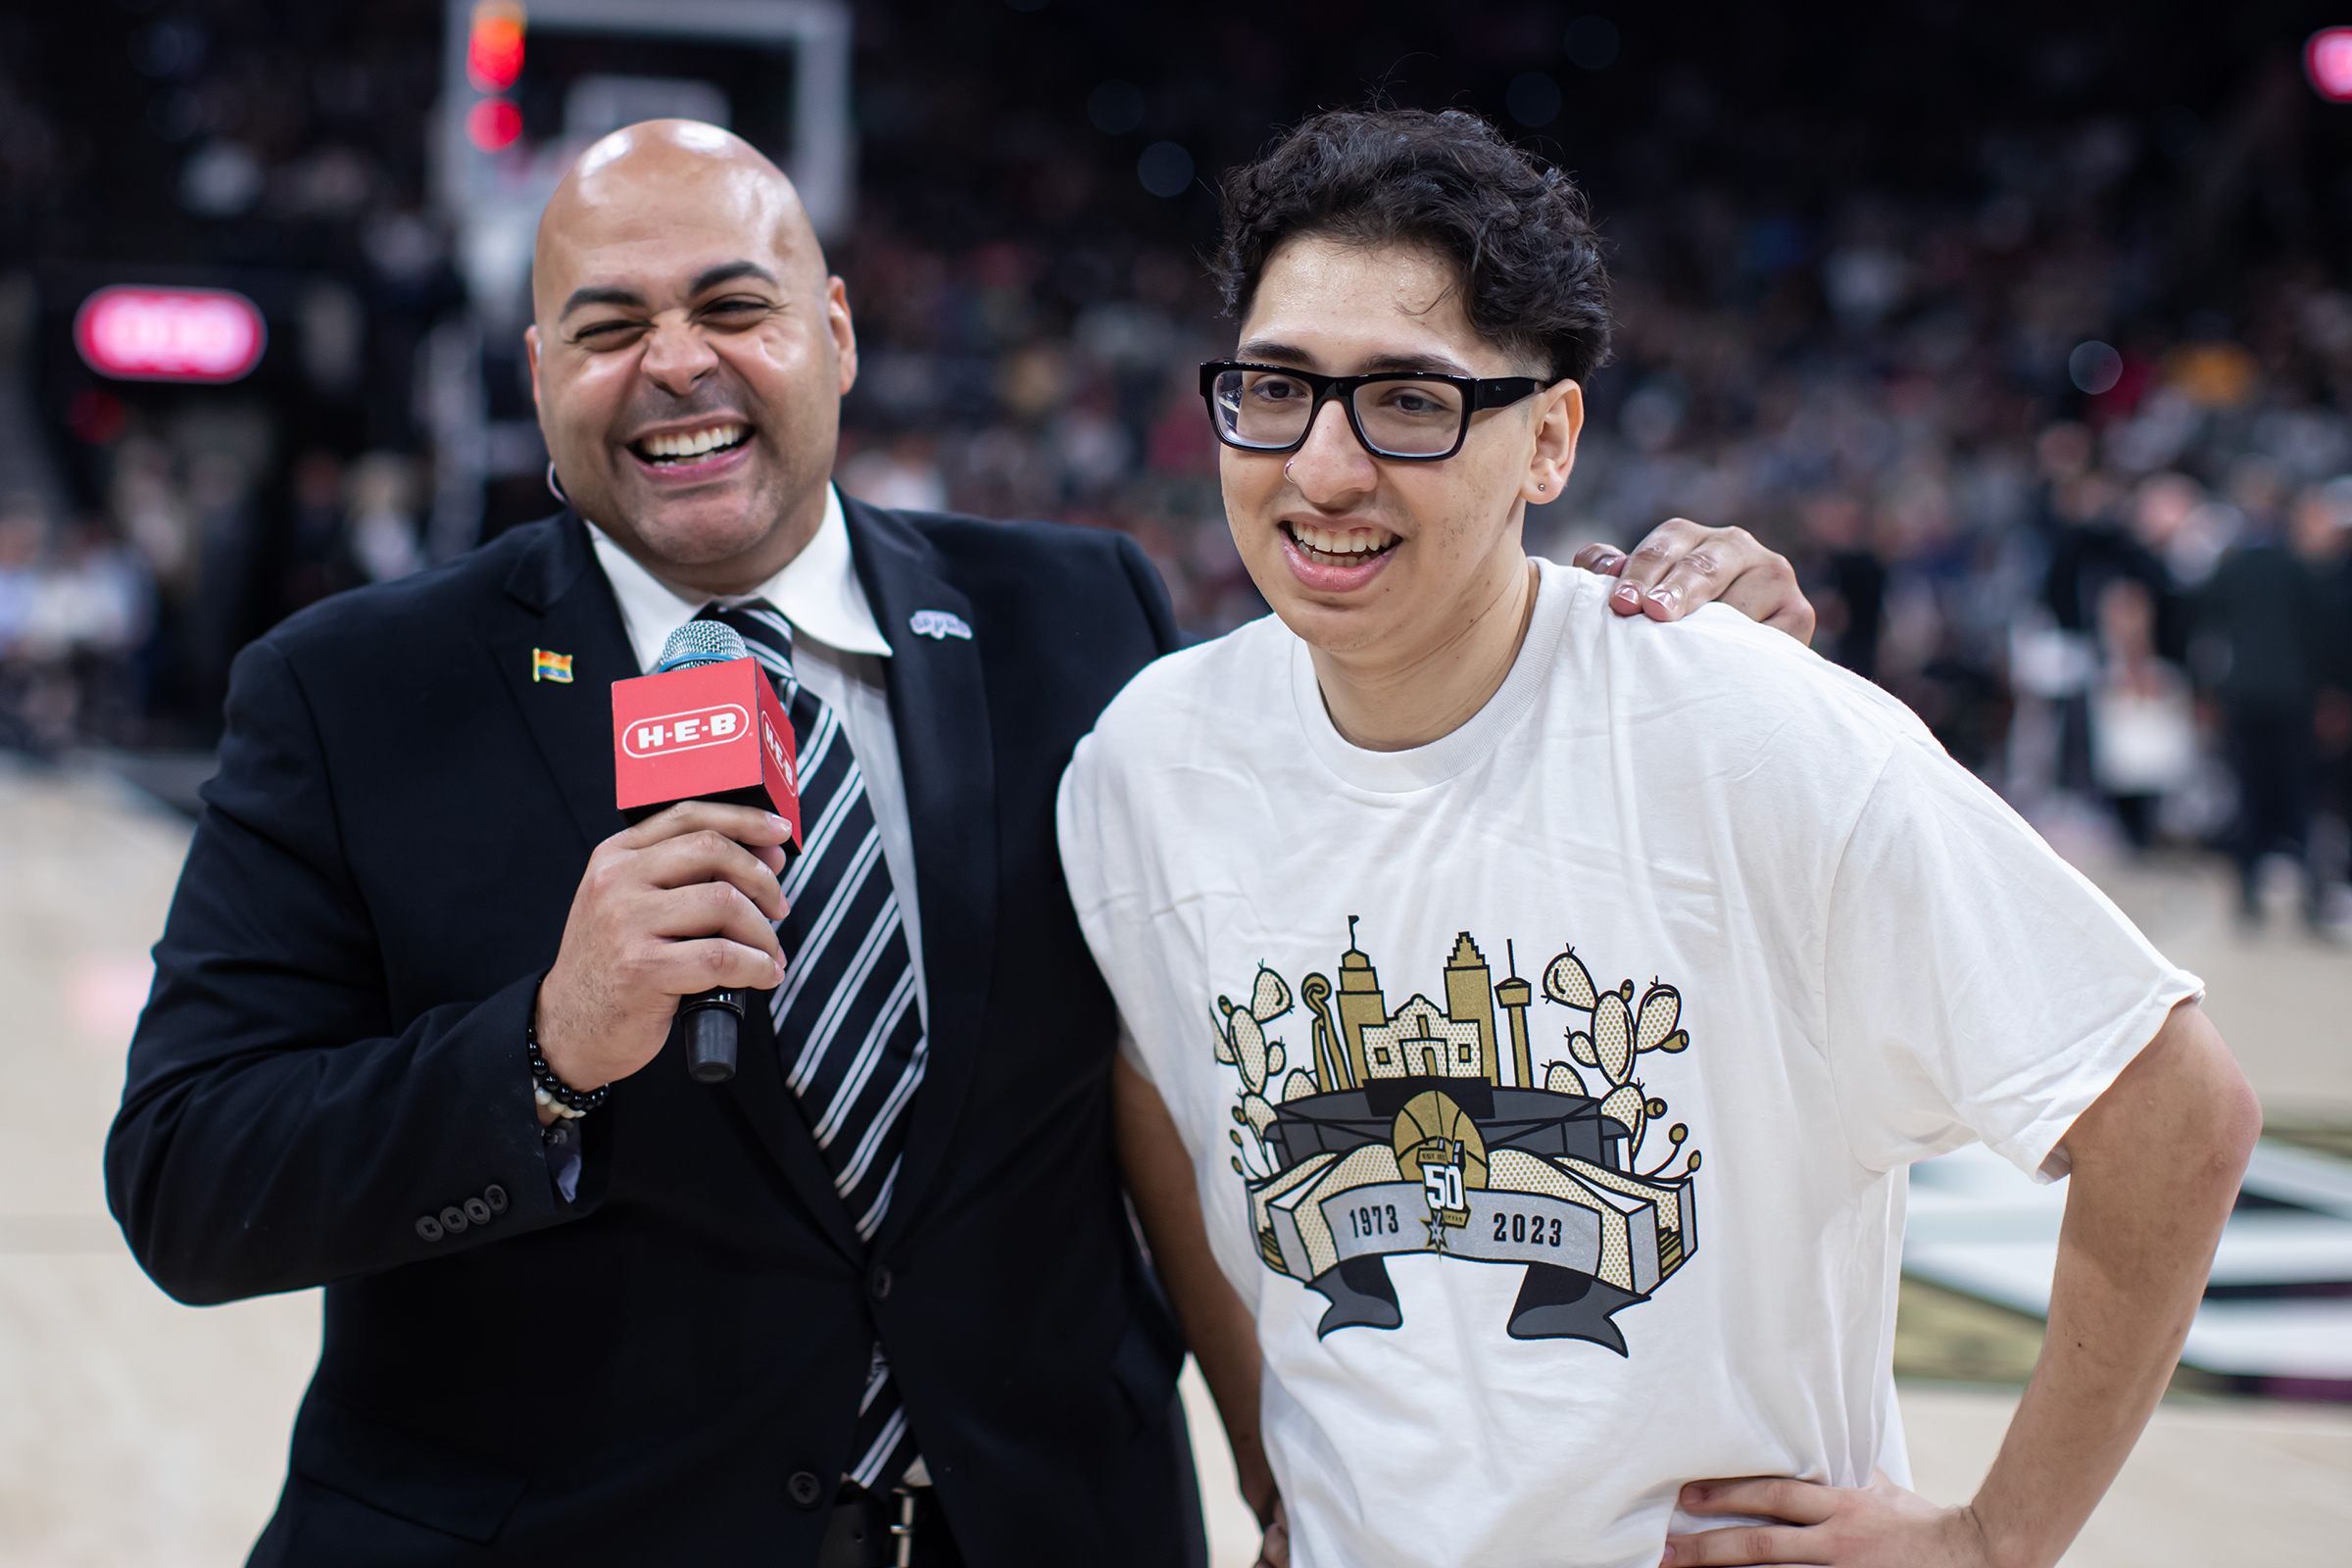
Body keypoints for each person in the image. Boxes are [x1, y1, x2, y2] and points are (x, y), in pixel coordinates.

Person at [104, 120, 1807, 1568]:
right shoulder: (353, 692)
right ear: (540, 375)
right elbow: (187, 1182)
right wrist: (544, 1051)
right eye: (608, 326)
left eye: (735, 306)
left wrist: (1647, 650)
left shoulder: (1077, 615)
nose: (678, 362)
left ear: (836, 334)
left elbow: (1378, 794)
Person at [1059, 108, 2260, 1568]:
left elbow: (2175, 1113)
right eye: (1277, 388)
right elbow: (1160, 1091)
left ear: (1548, 439)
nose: (1322, 468)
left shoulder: (1755, 730)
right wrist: (1272, 1478)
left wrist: (1991, 1542)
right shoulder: (1148, 764)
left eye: (1410, 403)